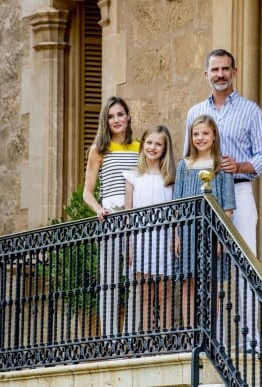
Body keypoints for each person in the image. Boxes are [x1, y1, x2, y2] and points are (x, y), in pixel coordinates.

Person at [184, 49, 262, 353]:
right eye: (214, 69)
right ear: (206, 75)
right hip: (204, 199)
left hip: (240, 193)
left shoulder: (250, 110)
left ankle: (251, 342)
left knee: (245, 265)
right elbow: (188, 159)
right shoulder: (194, 113)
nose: (220, 74)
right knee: (208, 268)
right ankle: (213, 341)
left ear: (234, 72)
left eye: (225, 69)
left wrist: (241, 166)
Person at [83, 96, 140, 337]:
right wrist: (98, 208)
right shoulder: (98, 150)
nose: (116, 120)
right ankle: (110, 337)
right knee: (109, 280)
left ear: (128, 117)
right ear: (105, 121)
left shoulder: (140, 147)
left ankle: (130, 335)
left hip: (137, 219)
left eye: (120, 114)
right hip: (110, 218)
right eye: (110, 116)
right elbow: (87, 191)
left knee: (137, 278)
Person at [174, 114, 236, 328]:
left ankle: (211, 332)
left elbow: (228, 208)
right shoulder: (184, 165)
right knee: (188, 282)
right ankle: (191, 333)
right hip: (188, 232)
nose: (200, 138)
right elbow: (176, 204)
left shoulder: (222, 165)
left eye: (205, 133)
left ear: (214, 136)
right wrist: (176, 236)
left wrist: (221, 238)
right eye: (196, 134)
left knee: (212, 283)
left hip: (212, 232)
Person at [123, 125, 176, 331]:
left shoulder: (170, 178)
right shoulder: (132, 177)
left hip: (164, 239)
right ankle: (146, 341)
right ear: (143, 144)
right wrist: (128, 244)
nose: (153, 147)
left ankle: (167, 340)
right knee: (144, 294)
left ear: (165, 148)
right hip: (141, 240)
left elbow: (175, 212)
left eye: (158, 144)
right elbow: (127, 215)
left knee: (165, 293)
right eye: (149, 142)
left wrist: (175, 236)